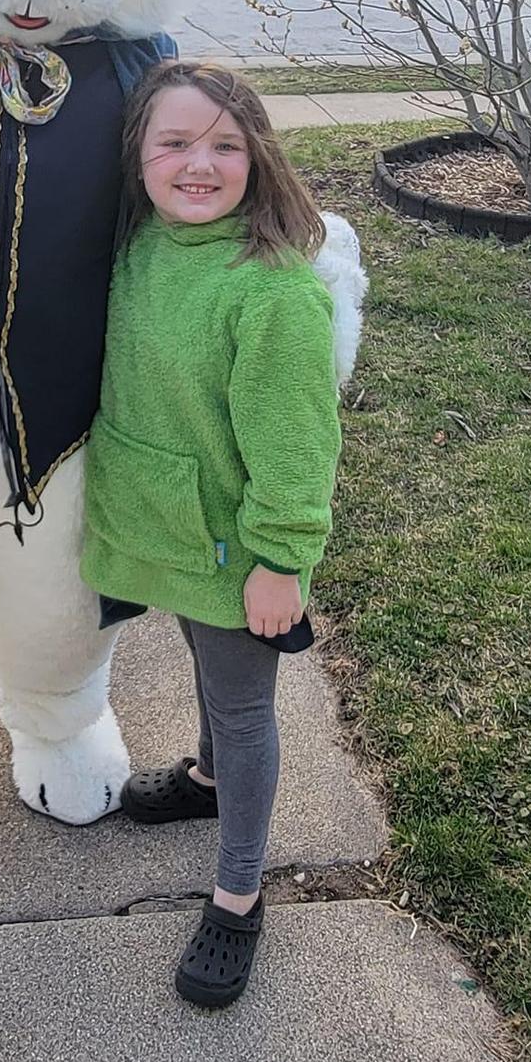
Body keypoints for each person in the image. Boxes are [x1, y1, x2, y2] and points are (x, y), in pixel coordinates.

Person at [82, 61, 345, 1008]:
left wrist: (282, 561)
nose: (200, 164)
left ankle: (237, 896)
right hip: (167, 526)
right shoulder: (142, 243)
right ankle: (201, 778)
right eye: (175, 144)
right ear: (140, 159)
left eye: (225, 146)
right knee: (198, 656)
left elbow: (296, 451)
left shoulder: (271, 294)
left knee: (243, 710)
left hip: (240, 548)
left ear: (257, 156)